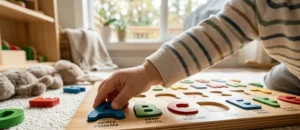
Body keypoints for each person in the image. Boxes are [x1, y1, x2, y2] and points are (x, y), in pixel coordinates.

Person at [93, 0, 300, 109]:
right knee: (274, 81)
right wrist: (148, 72)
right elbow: (216, 33)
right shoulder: (256, 3)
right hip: (293, 67)